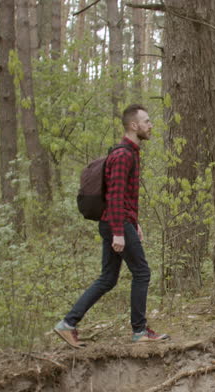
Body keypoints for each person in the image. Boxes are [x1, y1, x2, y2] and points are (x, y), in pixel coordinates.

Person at [55, 104, 169, 347]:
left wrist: (134, 222)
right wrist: (119, 231)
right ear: (133, 125)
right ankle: (139, 330)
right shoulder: (122, 155)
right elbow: (115, 197)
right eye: (147, 121)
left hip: (119, 221)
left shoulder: (131, 153)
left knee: (108, 278)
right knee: (142, 272)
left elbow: (124, 196)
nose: (151, 126)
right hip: (115, 223)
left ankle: (68, 324)